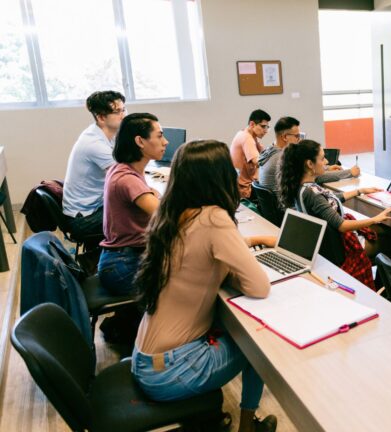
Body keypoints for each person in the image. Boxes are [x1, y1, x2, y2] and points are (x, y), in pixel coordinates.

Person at [132, 140, 278, 432]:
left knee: (234, 327)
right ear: (220, 177)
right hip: (172, 370)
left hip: (146, 360)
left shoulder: (171, 213)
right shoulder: (213, 217)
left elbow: (200, 259)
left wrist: (239, 253)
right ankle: (248, 427)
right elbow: (259, 286)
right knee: (258, 344)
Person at [277, 139, 391, 289]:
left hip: (326, 246)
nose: (326, 162)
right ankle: (381, 288)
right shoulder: (312, 194)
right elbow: (342, 225)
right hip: (342, 249)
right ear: (310, 164)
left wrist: (359, 191)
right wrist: (375, 219)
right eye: (322, 158)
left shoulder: (301, 187)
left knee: (385, 232)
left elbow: (328, 201)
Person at [98, 113, 164, 295]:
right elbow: (166, 215)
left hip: (120, 259)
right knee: (191, 276)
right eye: (159, 136)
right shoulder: (128, 179)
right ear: (140, 141)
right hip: (123, 267)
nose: (165, 142)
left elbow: (152, 195)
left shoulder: (123, 169)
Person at [62, 90, 126, 241]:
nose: (124, 115)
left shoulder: (106, 134)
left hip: (94, 206)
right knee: (140, 214)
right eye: (117, 112)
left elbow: (125, 163)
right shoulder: (94, 143)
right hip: (84, 219)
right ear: (101, 117)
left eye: (124, 109)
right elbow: (124, 178)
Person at [258, 116, 360, 191]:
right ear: (284, 137)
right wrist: (350, 172)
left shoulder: (270, 150)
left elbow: (305, 171)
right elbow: (315, 177)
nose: (299, 140)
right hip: (286, 209)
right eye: (297, 136)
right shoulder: (282, 158)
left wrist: (326, 168)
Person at [231, 109, 271, 199]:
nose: (265, 131)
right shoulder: (247, 138)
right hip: (245, 190)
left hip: (239, 186)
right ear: (252, 124)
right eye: (263, 126)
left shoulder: (244, 133)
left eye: (267, 127)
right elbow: (258, 161)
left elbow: (263, 153)